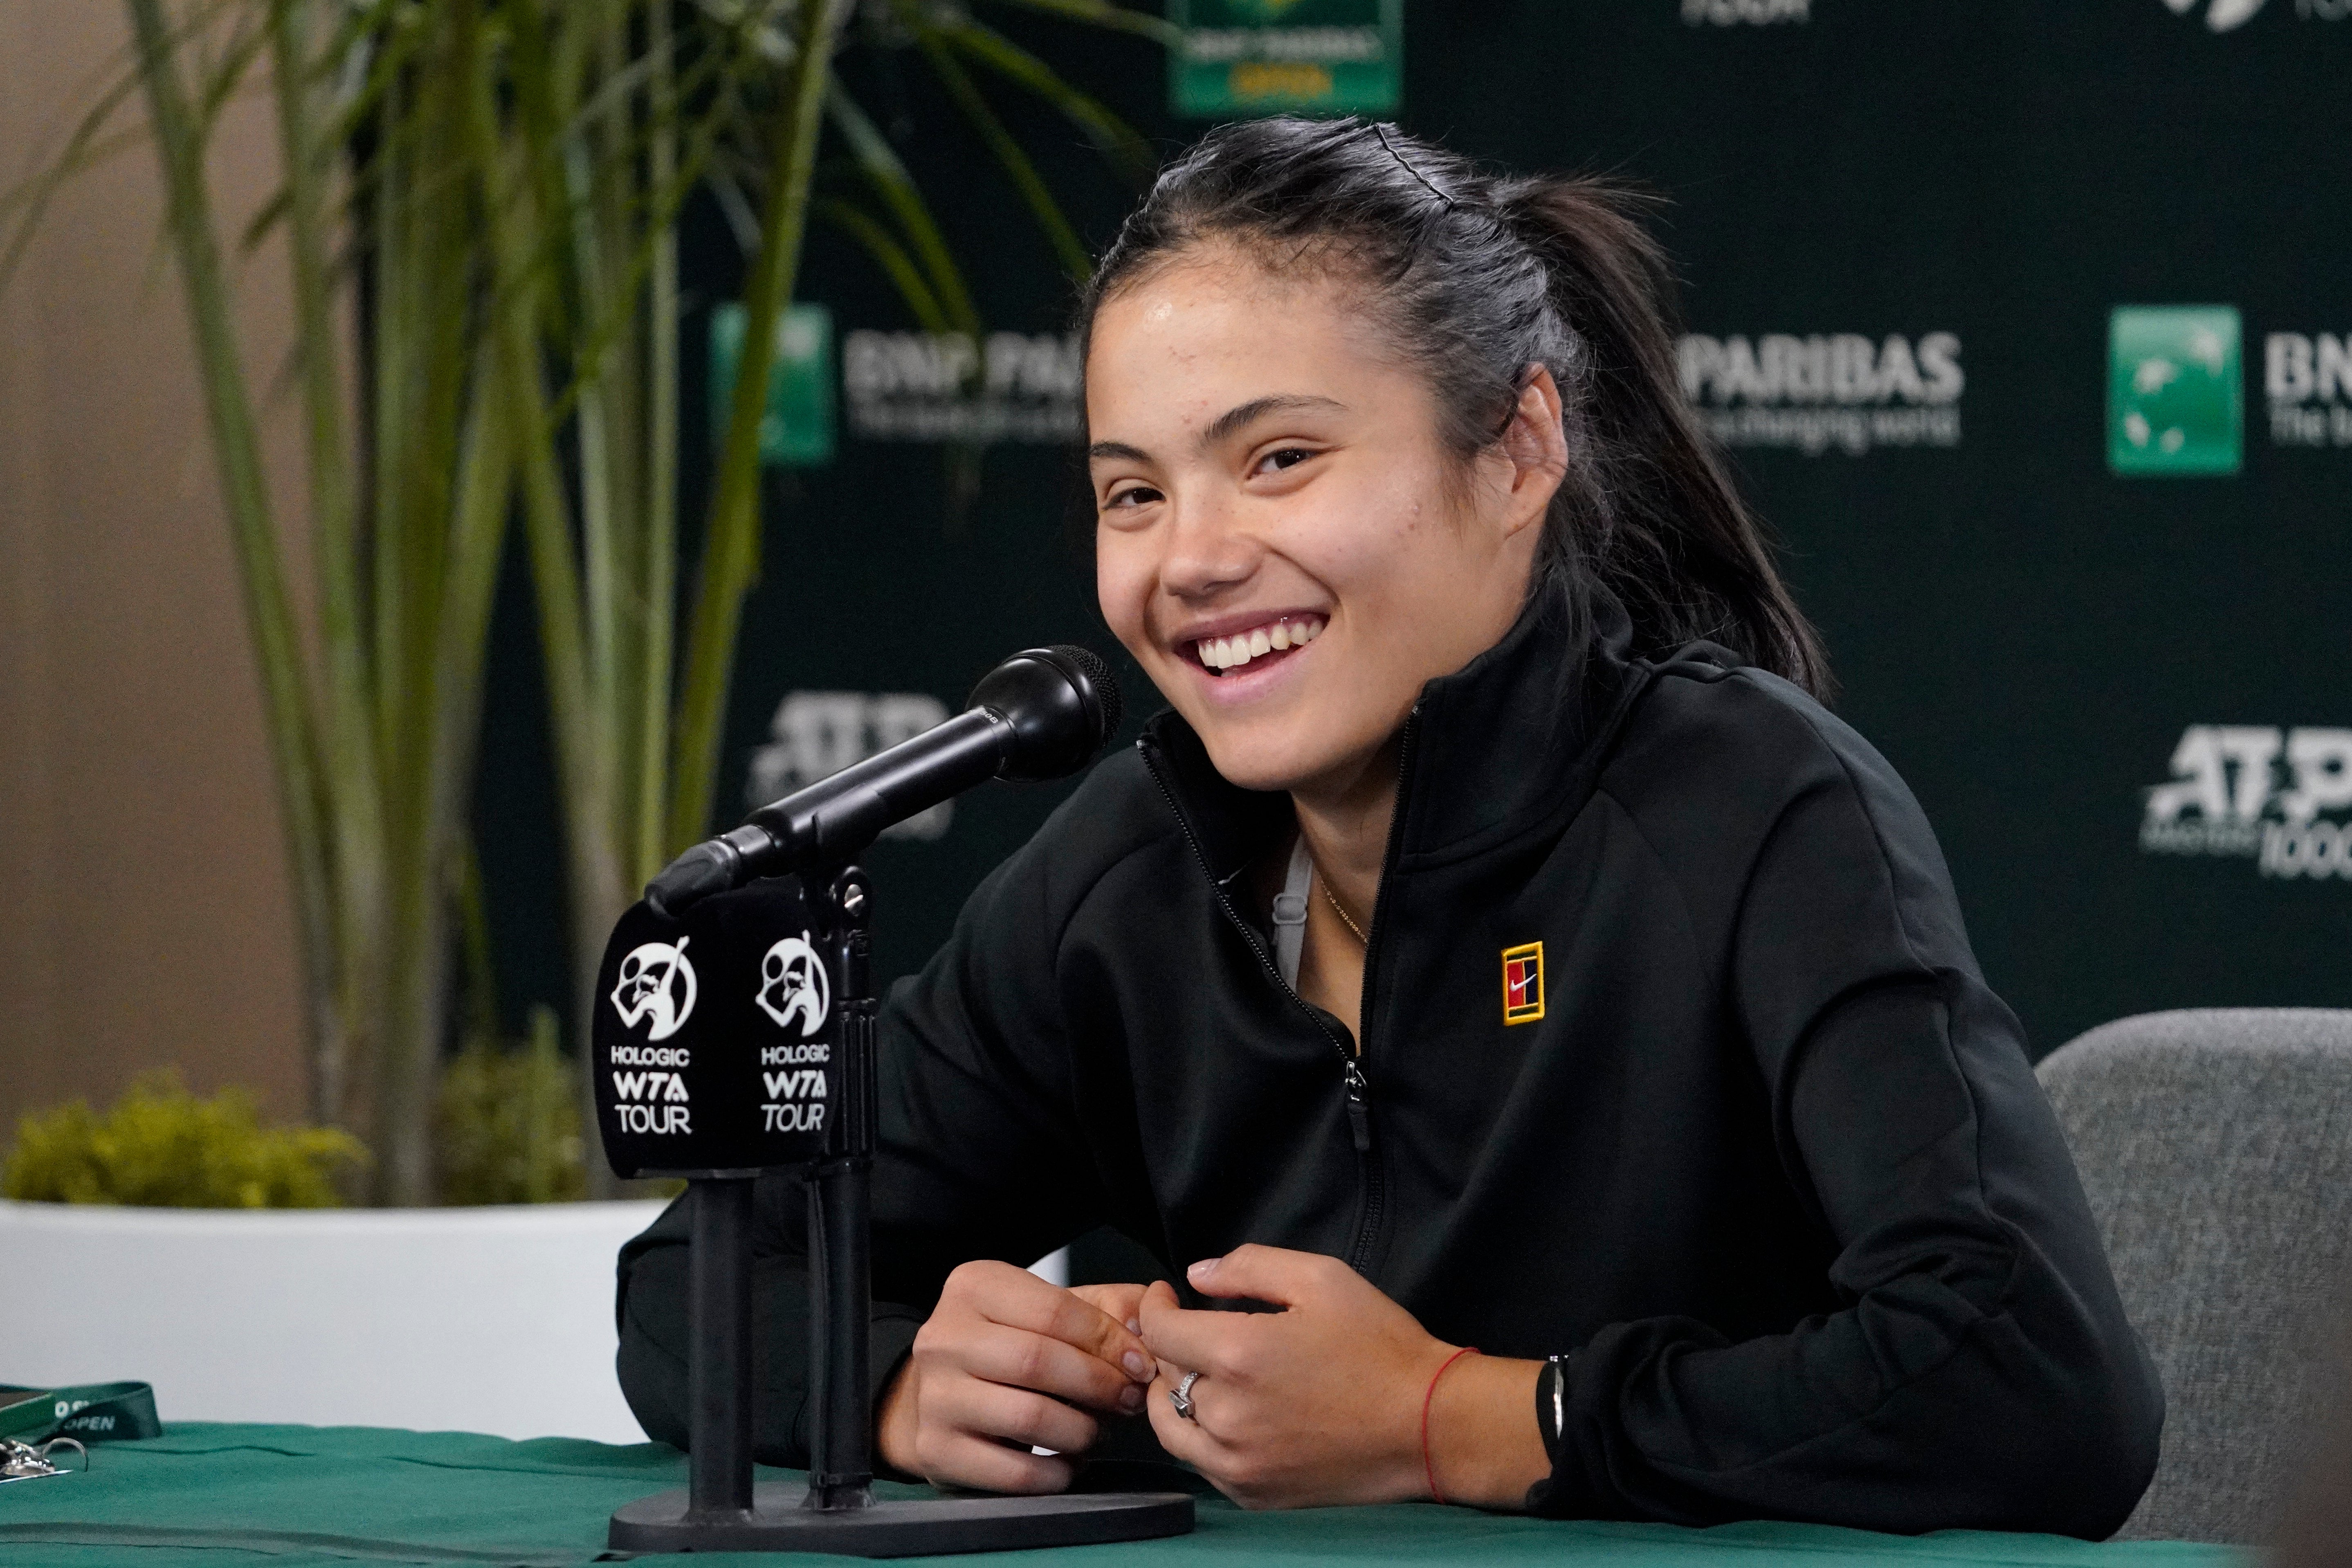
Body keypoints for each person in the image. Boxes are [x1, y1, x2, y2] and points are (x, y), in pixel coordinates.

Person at [616, 117, 2162, 1533]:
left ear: (1518, 452)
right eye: (1132, 493)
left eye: (1280, 459)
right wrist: (899, 1382)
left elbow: (2032, 1378)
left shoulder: (1752, 808)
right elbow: (692, 1277)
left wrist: (1449, 1416)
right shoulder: (1133, 867)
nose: (1194, 560)